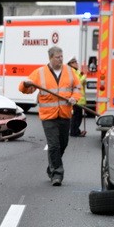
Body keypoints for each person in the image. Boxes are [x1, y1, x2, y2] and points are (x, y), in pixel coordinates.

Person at [19, 46, 81, 186]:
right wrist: (25, 84)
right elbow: (26, 89)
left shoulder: (70, 72)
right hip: (48, 116)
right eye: (57, 57)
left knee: (63, 144)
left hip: (65, 114)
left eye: (61, 57)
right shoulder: (40, 73)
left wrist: (74, 98)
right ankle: (57, 174)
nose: (61, 59)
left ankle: (51, 167)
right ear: (50, 58)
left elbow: (77, 87)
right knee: (54, 145)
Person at [67, 57, 87, 137]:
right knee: (76, 117)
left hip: (79, 99)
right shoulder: (71, 71)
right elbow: (77, 82)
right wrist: (84, 76)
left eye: (76, 62)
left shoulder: (76, 71)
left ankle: (76, 130)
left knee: (78, 116)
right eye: (74, 62)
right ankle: (74, 132)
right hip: (76, 98)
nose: (76, 63)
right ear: (71, 64)